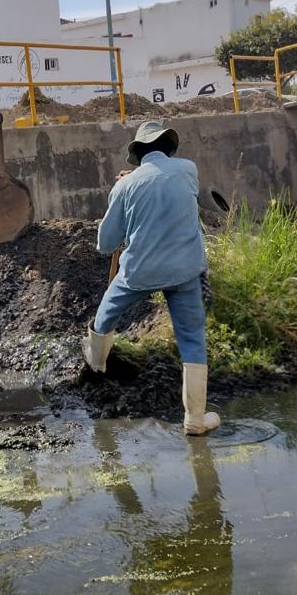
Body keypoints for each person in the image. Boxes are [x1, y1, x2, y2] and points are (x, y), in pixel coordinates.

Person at [84, 120, 220, 436]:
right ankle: (195, 419)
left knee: (105, 315)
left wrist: (121, 190)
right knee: (192, 338)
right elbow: (164, 181)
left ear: (138, 153)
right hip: (185, 270)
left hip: (139, 272)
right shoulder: (188, 169)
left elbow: (106, 245)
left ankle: (97, 365)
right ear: (168, 148)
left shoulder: (125, 186)